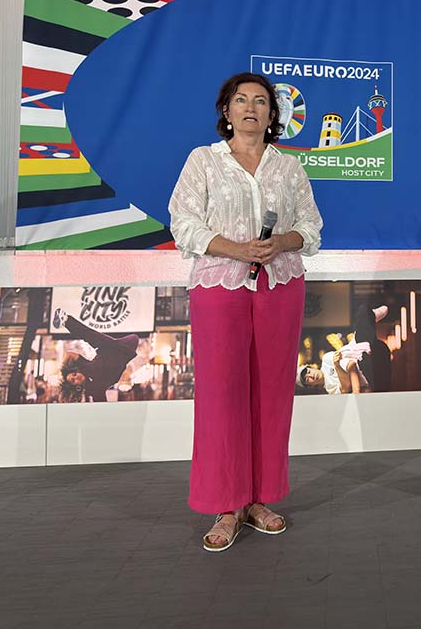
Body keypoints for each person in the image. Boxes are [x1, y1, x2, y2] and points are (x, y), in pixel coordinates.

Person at [169, 71, 323, 553]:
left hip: (280, 286)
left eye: (261, 101)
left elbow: (311, 227)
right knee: (222, 393)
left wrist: (280, 242)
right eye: (242, 100)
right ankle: (227, 503)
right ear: (227, 110)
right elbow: (183, 222)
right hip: (221, 286)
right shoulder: (204, 162)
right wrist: (236, 249)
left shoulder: (288, 168)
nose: (252, 108)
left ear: (273, 115)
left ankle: (259, 499)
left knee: (273, 392)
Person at [57, 315, 140, 402]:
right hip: (123, 352)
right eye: (73, 381)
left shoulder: (83, 367)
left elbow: (69, 354)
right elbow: (101, 403)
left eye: (74, 374)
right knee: (133, 338)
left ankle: (65, 320)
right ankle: (66, 321)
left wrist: (62, 373)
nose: (76, 377)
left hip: (108, 348)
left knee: (90, 336)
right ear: (76, 387)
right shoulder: (94, 389)